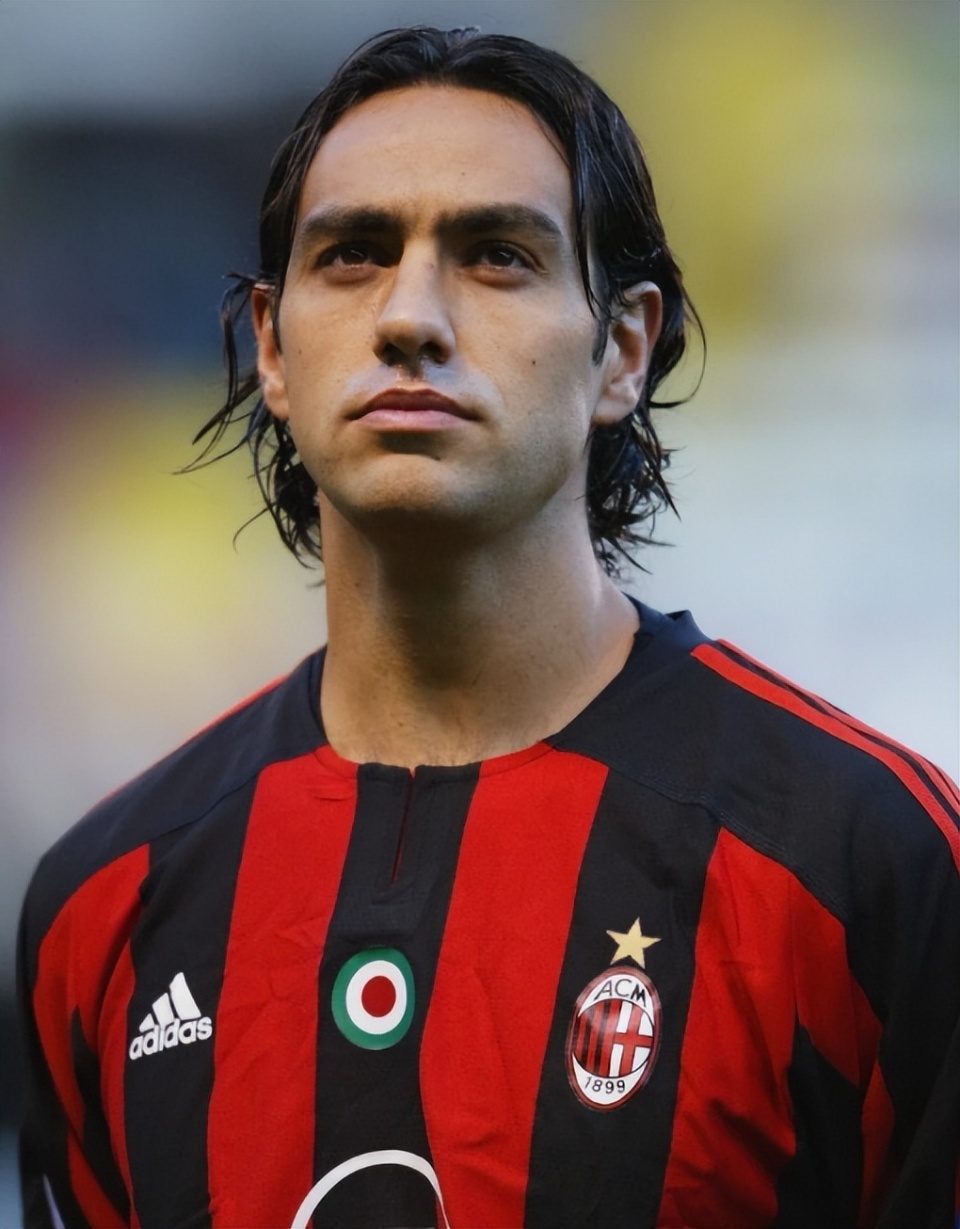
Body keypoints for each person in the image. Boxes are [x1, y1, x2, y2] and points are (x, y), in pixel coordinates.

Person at [17, 25, 959, 1229]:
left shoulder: (863, 860)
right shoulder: (107, 899)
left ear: (623, 347)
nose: (410, 316)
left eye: (497, 256)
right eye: (354, 255)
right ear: (272, 347)